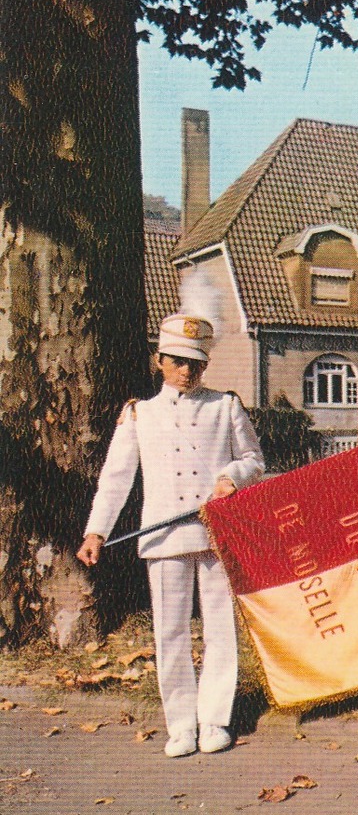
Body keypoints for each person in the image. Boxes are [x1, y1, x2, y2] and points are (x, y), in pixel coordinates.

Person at [77, 308, 265, 757]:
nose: (187, 370)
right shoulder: (140, 415)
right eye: (178, 360)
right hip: (163, 537)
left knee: (220, 629)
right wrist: (96, 532)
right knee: (171, 632)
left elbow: (255, 460)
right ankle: (181, 724)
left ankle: (215, 718)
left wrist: (231, 477)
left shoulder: (226, 405)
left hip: (216, 534)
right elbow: (116, 478)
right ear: (158, 360)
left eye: (196, 362)